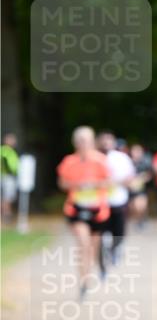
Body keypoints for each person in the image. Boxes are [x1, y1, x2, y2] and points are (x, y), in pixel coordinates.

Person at [56, 126, 111, 297]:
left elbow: (110, 182)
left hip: (98, 209)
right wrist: (77, 185)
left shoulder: (101, 160)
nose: (83, 144)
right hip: (77, 208)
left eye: (86, 140)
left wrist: (94, 184)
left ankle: (91, 272)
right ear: (75, 143)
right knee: (83, 243)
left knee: (92, 247)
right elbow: (62, 183)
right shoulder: (68, 161)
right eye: (80, 140)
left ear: (92, 142)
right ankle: (83, 281)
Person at [96, 131, 135, 266]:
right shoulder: (94, 158)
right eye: (103, 140)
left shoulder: (122, 158)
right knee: (102, 230)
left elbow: (130, 178)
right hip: (99, 201)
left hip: (118, 200)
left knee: (119, 230)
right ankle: (103, 253)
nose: (106, 143)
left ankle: (116, 248)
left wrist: (115, 183)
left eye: (109, 140)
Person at [128, 143, 153, 228]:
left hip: (141, 190)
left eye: (138, 151)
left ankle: (142, 220)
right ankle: (137, 220)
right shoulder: (127, 162)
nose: (136, 152)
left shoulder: (145, 162)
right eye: (134, 150)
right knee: (133, 207)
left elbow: (150, 174)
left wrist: (142, 179)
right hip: (129, 190)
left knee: (140, 206)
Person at [1, 133, 19, 221]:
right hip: (7, 176)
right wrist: (10, 171)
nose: (14, 142)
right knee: (7, 197)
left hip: (8, 176)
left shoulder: (10, 151)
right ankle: (6, 214)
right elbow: (5, 163)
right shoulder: (5, 151)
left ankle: (5, 214)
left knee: (6, 196)